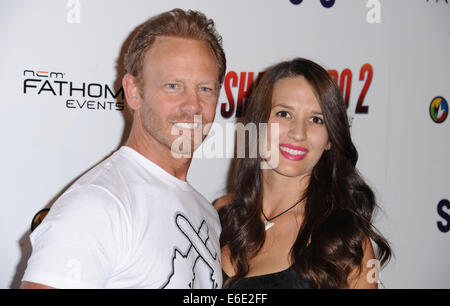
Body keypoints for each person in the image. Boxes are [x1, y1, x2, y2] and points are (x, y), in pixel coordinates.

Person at [21, 8, 226, 289]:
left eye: (205, 89)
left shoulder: (207, 214)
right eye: (173, 85)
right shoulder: (96, 207)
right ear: (133, 92)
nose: (192, 105)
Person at [215, 58, 392, 289]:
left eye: (316, 119)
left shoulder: (346, 242)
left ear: (330, 139)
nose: (298, 133)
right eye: (284, 114)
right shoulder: (222, 212)